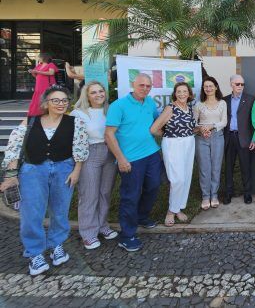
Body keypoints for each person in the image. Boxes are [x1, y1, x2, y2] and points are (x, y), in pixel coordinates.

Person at [0, 86, 88, 275]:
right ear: (45, 103)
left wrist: (77, 171)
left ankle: (57, 245)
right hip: (32, 170)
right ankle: (35, 253)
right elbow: (15, 147)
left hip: (64, 168)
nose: (61, 104)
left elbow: (80, 148)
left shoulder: (75, 122)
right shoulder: (31, 121)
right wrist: (11, 174)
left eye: (64, 100)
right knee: (32, 212)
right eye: (55, 100)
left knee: (60, 210)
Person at [105, 73, 161, 253]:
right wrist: (120, 158)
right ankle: (127, 235)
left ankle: (142, 217)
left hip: (152, 153)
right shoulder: (119, 105)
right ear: (132, 84)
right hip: (131, 158)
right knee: (131, 195)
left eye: (148, 86)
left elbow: (156, 123)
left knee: (153, 186)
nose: (145, 88)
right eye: (141, 85)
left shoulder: (150, 103)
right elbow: (109, 134)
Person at [71, 81, 118, 250]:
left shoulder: (110, 110)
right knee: (89, 194)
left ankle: (102, 226)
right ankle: (88, 233)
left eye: (101, 91)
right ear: (87, 95)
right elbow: (76, 141)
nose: (98, 95)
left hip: (110, 152)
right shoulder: (78, 113)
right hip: (90, 153)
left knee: (105, 192)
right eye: (93, 92)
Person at [151, 82, 196, 226]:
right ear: (175, 94)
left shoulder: (189, 108)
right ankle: (170, 211)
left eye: (184, 91)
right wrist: (167, 134)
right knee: (177, 179)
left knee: (186, 177)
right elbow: (154, 129)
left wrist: (200, 130)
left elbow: (190, 128)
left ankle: (178, 208)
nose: (182, 94)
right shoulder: (170, 108)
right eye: (179, 92)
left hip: (189, 143)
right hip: (173, 144)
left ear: (189, 94)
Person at [193, 76, 227, 210]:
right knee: (204, 167)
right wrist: (201, 129)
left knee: (216, 167)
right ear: (203, 88)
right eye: (206, 86)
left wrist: (211, 126)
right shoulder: (199, 105)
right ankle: (205, 196)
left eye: (211, 86)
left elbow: (224, 122)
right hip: (201, 138)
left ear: (216, 87)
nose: (208, 88)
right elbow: (194, 123)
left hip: (217, 136)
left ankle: (214, 195)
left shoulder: (222, 103)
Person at [223, 74, 255, 205]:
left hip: (245, 138)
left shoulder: (251, 100)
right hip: (228, 137)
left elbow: (254, 122)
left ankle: (247, 193)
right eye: (238, 84)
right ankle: (228, 193)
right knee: (228, 167)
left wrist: (253, 139)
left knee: (245, 167)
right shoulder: (224, 100)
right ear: (231, 84)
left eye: (242, 84)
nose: (240, 87)